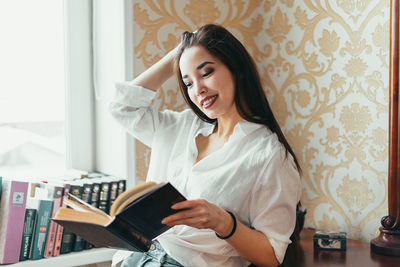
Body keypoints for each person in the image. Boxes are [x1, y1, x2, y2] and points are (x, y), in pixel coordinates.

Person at [109, 24, 302, 267]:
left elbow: (272, 256)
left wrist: (223, 222)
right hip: (137, 256)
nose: (198, 90)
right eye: (188, 82)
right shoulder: (182, 126)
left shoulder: (270, 155)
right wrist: (178, 56)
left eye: (206, 72)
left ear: (236, 69)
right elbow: (122, 108)